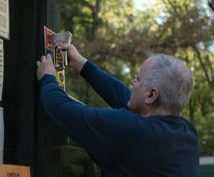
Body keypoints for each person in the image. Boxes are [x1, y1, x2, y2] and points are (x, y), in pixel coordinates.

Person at [36, 44, 200, 176]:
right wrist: (82, 65)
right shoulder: (188, 134)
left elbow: (59, 107)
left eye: (137, 79)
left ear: (151, 94)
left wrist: (48, 77)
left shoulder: (129, 131)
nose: (132, 82)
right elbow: (126, 98)